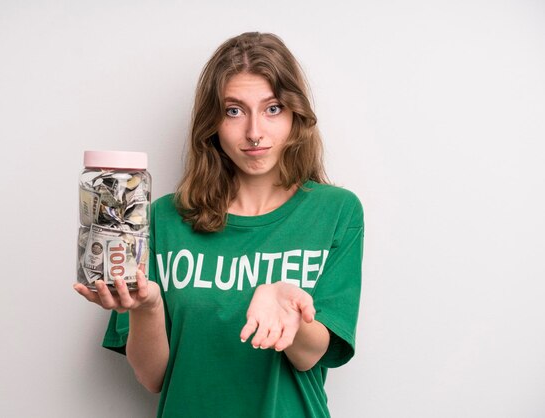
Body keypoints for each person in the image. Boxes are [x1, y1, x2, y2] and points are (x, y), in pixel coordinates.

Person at [74, 31, 364, 418]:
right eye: (234, 110)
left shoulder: (337, 212)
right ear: (212, 123)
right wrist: (149, 306)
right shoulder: (163, 218)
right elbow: (153, 377)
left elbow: (312, 356)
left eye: (273, 108)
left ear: (296, 115)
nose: (254, 132)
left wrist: (289, 306)